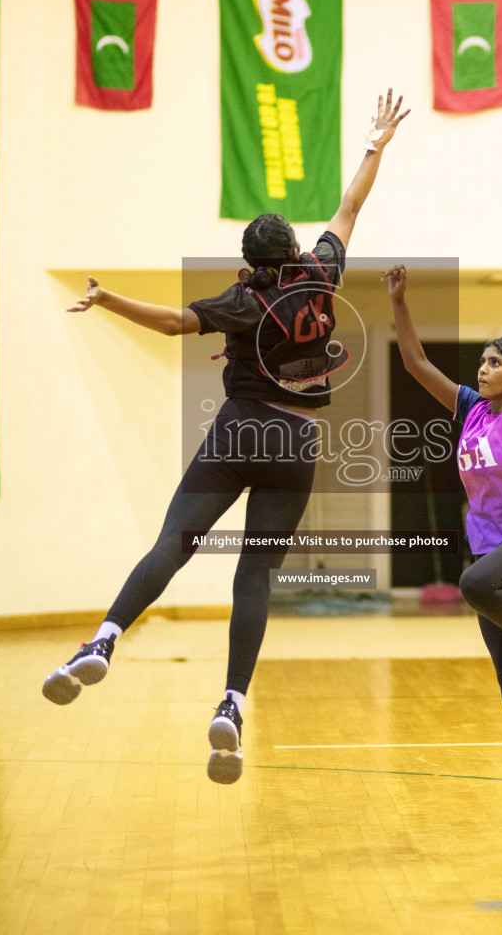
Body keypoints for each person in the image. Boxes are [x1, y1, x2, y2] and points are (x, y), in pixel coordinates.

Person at [42, 89, 410, 786]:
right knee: (256, 575)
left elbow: (176, 323)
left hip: (241, 429)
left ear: (249, 258)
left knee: (171, 545)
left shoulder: (244, 300)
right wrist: (374, 144)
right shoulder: (321, 272)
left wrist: (109, 298)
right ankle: (234, 702)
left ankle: (105, 639)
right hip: (297, 444)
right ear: (294, 249)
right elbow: (349, 207)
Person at [384, 263, 502, 824]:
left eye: (495, 362)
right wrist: (399, 302)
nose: (483, 368)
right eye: (483, 361)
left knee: (473, 584)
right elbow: (417, 364)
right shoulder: (470, 410)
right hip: (494, 553)